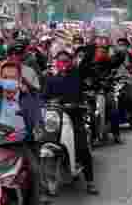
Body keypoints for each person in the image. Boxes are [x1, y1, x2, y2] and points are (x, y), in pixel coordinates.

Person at [42, 48, 98, 194]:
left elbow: (87, 61)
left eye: (66, 61)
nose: (63, 64)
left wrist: (93, 45)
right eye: (60, 61)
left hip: (74, 117)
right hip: (54, 119)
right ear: (56, 63)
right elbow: (43, 97)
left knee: (82, 148)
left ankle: (90, 182)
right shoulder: (50, 79)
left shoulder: (76, 75)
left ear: (71, 62)